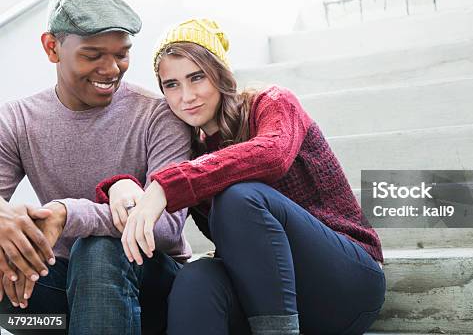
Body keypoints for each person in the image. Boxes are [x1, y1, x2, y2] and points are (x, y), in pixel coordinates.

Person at [96, 18, 386, 335]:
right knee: (196, 277)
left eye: (197, 78)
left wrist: (169, 186)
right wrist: (120, 185)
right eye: (172, 84)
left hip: (345, 284)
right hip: (269, 298)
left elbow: (271, 154)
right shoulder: (190, 150)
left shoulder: (272, 103)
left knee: (239, 197)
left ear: (220, 73)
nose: (187, 96)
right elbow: (147, 192)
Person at [0, 0, 192, 335]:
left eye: (122, 54)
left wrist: (66, 213)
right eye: (92, 55)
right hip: (64, 298)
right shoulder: (18, 120)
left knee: (99, 249)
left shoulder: (157, 116)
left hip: (153, 289)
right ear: (52, 47)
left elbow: (165, 227)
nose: (111, 69)